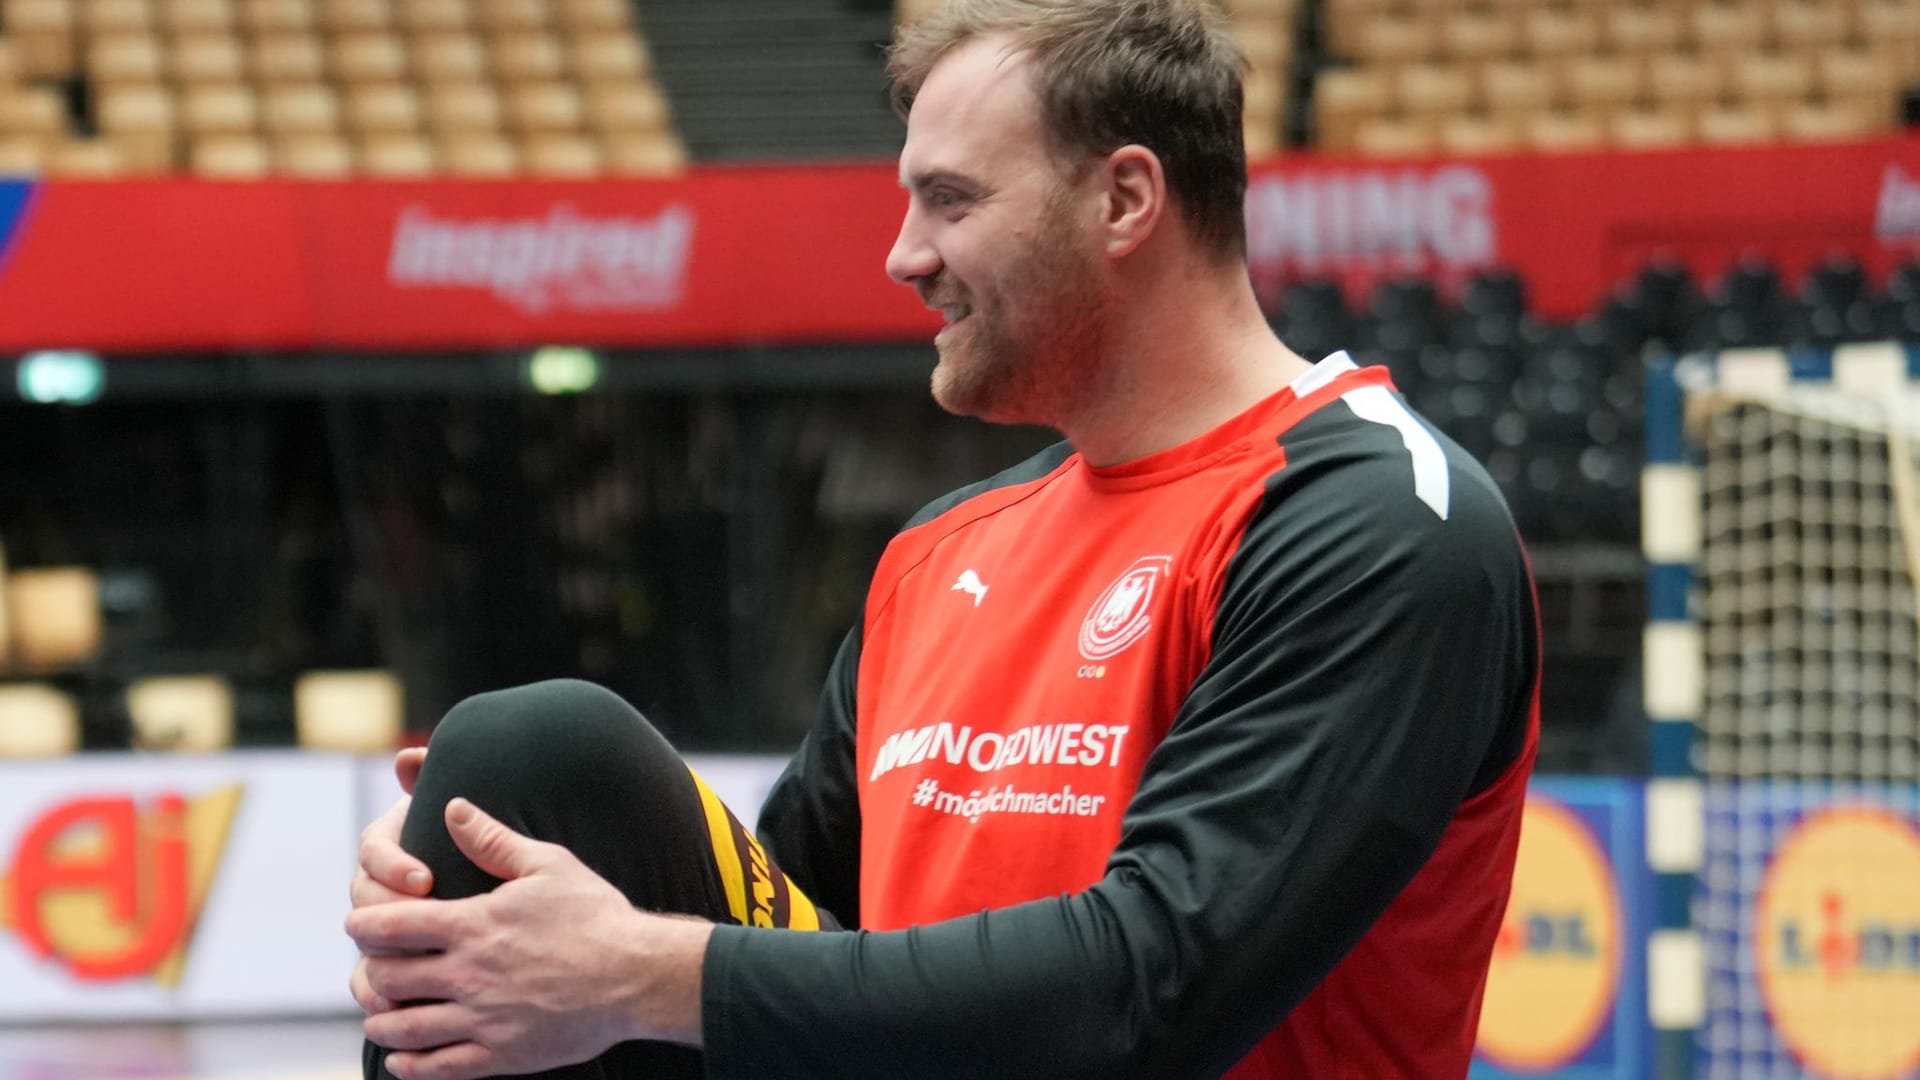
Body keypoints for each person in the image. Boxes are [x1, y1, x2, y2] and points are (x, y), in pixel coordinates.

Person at [346, 1, 1541, 1077]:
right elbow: (802, 938)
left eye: (952, 200)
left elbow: (1156, 988)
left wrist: (641, 972)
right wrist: (478, 935)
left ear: (1125, 200)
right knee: (533, 758)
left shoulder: (1378, 520)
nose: (903, 255)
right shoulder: (940, 550)